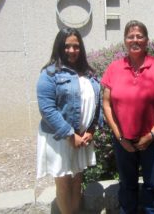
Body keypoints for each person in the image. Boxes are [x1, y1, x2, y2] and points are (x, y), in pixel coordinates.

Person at [101, 20, 154, 214]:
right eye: (130, 36)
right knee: (127, 185)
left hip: (152, 140)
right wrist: (119, 137)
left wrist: (151, 135)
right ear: (125, 41)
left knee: (152, 185)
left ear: (147, 40)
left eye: (139, 36)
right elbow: (106, 104)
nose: (135, 40)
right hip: (122, 140)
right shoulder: (114, 68)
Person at [36, 28, 101, 214]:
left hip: (83, 136)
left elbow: (97, 102)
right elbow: (47, 109)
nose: (72, 50)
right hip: (60, 138)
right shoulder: (49, 74)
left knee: (77, 179)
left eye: (76, 46)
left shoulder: (88, 73)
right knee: (64, 182)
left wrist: (92, 129)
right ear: (59, 47)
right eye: (67, 46)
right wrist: (69, 135)